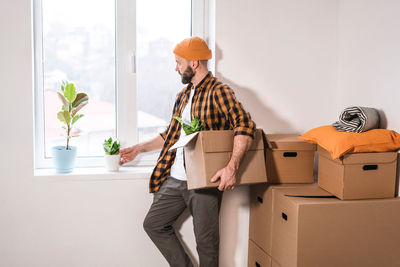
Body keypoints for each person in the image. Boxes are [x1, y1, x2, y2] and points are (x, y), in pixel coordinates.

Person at [119, 37, 255, 267]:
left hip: (204, 182)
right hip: (175, 178)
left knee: (207, 244)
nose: (176, 67)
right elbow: (170, 134)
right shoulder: (182, 96)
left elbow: (244, 126)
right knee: (153, 224)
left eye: (179, 62)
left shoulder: (219, 91)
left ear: (194, 63)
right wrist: (138, 149)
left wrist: (232, 167)